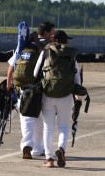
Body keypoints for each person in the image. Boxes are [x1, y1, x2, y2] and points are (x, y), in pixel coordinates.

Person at [6, 21, 55, 159]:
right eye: (52, 32)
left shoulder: (23, 44)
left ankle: (26, 145)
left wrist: (9, 85)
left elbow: (11, 67)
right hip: (40, 88)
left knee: (26, 118)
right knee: (40, 119)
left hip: (23, 88)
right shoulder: (47, 46)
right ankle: (38, 148)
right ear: (45, 32)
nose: (53, 34)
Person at [34, 30, 81, 168]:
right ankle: (61, 150)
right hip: (66, 96)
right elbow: (76, 77)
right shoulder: (71, 54)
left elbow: (35, 73)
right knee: (64, 126)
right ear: (65, 40)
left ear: (53, 40)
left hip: (48, 95)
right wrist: (79, 96)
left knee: (48, 127)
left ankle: (49, 159)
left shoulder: (45, 52)